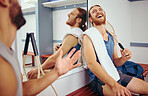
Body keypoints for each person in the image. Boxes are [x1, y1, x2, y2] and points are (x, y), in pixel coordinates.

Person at [0, 0, 81, 96]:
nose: (20, 4)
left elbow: (23, 90)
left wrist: (56, 72)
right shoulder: (2, 64)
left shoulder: (7, 52)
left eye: (72, 13)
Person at [83, 5, 148, 96]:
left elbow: (115, 61)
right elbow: (91, 64)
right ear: (90, 19)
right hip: (99, 79)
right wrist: (114, 85)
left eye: (100, 9)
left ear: (104, 14)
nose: (98, 12)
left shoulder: (112, 36)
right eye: (94, 11)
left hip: (116, 74)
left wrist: (124, 58)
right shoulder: (88, 36)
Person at [28, 7, 87, 79]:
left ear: (78, 20)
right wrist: (60, 47)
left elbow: (54, 59)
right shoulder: (79, 33)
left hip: (70, 73)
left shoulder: (73, 35)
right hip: (76, 71)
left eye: (72, 14)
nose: (68, 14)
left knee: (32, 74)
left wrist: (38, 69)